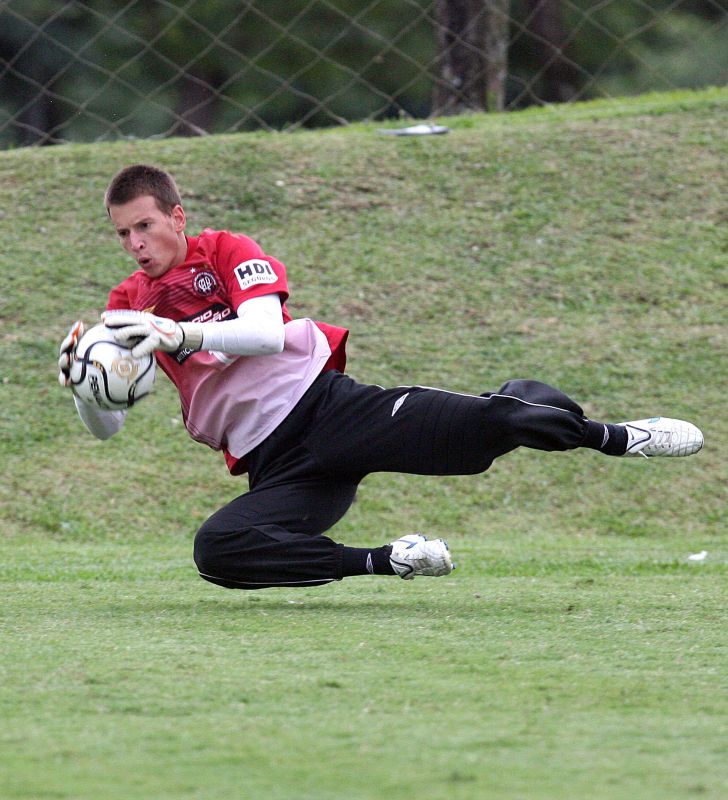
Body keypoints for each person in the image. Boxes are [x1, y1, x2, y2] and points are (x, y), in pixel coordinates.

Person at [58, 164, 704, 590]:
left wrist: (183, 334)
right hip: (277, 464)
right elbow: (109, 425)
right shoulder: (127, 303)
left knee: (503, 421)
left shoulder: (228, 250)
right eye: (123, 234)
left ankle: (619, 436)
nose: (136, 243)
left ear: (177, 215)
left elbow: (262, 332)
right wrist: (85, 385)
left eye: (145, 225)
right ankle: (388, 559)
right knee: (219, 551)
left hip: (333, 412)